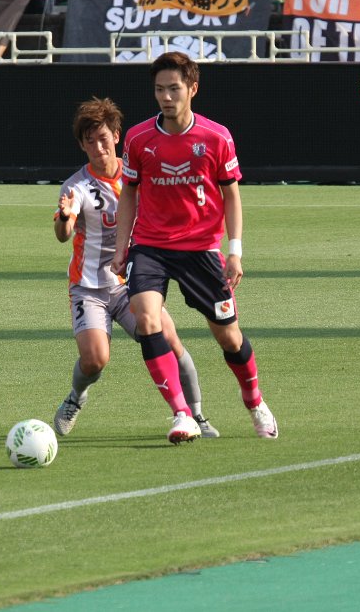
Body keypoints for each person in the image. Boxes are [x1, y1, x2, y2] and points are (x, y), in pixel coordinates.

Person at [110, 52, 278, 443]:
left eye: (174, 88)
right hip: (150, 246)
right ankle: (181, 414)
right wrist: (122, 247)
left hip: (201, 249)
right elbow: (129, 193)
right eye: (159, 89)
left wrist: (235, 251)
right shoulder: (138, 138)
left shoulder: (216, 137)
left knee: (229, 338)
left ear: (192, 89)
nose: (166, 97)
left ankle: (254, 401)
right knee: (146, 318)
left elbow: (231, 195)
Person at [53, 97, 220, 442]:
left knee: (169, 341)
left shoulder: (140, 176)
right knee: (95, 360)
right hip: (89, 288)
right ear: (81, 145)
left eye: (103, 138)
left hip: (130, 281)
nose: (98, 148)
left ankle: (197, 416)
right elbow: (63, 233)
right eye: (89, 141)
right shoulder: (76, 187)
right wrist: (66, 217)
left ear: (117, 136)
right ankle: (76, 397)